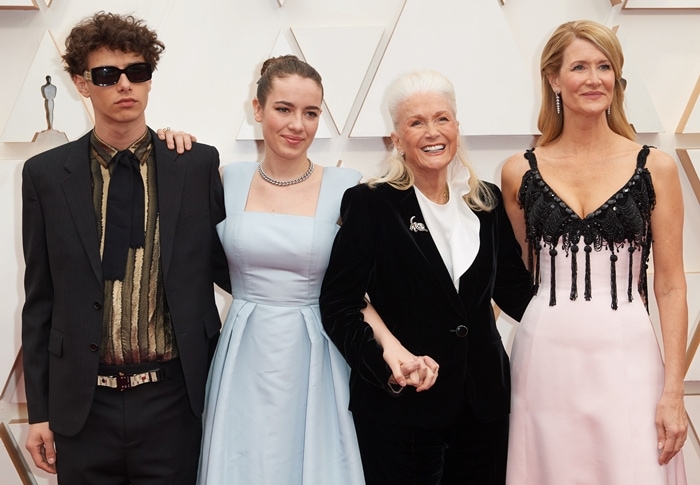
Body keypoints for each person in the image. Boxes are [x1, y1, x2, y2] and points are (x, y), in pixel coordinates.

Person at [21, 12, 230, 484]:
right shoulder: (45, 176)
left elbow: (232, 266)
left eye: (137, 72)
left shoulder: (195, 165)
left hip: (174, 400)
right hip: (82, 405)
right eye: (106, 75)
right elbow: (39, 301)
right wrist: (39, 411)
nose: (124, 85)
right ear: (81, 84)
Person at [319, 70, 533, 485]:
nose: (432, 132)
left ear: (456, 127)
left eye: (442, 119)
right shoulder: (371, 203)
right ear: (396, 139)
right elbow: (339, 304)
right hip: (402, 412)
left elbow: (517, 293)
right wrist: (387, 366)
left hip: (484, 406)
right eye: (416, 122)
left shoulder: (486, 201)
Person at [501, 20, 688, 485]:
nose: (593, 78)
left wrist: (673, 391)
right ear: (553, 79)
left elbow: (669, 285)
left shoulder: (656, 167)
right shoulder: (517, 173)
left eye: (604, 66)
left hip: (628, 355)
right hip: (544, 359)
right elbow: (520, 273)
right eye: (579, 66)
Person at [196, 55, 365, 484]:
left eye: (310, 113)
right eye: (283, 109)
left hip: (317, 351)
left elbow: (361, 287)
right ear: (258, 110)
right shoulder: (225, 179)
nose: (297, 125)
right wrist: (168, 137)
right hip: (243, 351)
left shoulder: (349, 188)